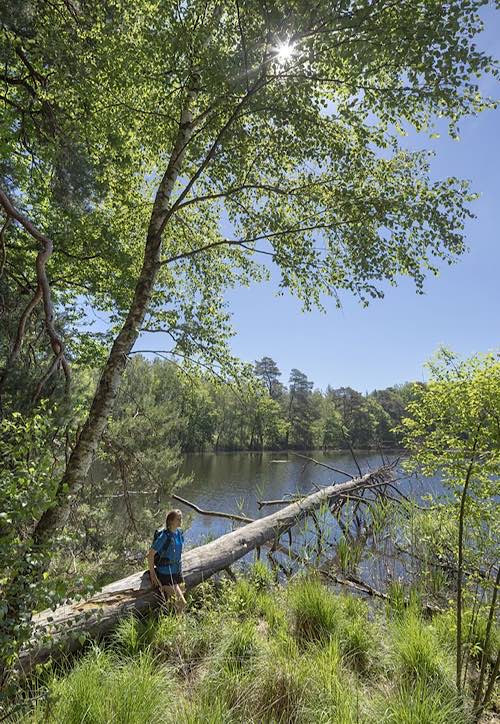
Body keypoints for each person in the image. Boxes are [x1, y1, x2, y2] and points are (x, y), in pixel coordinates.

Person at [147, 508, 186, 614]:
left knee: (175, 604)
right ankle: (178, 627)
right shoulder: (164, 536)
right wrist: (153, 575)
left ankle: (173, 623)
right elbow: (150, 555)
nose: (180, 521)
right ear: (171, 521)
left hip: (177, 572)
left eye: (180, 518)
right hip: (165, 574)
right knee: (181, 603)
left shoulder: (179, 533)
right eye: (178, 519)